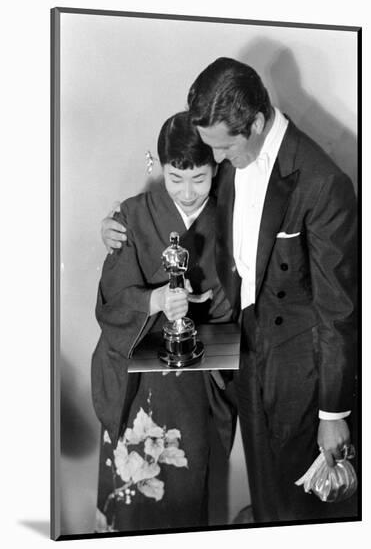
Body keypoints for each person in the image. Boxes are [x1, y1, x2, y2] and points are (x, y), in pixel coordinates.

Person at [101, 57, 357, 524]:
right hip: (244, 362)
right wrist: (117, 226)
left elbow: (338, 311)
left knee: (299, 511)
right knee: (266, 500)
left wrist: (333, 412)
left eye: (221, 151)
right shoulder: (234, 160)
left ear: (256, 123)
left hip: (298, 378)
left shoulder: (323, 184)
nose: (215, 163)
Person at [92, 111, 236, 534]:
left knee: (185, 498)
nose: (188, 192)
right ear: (159, 167)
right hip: (136, 387)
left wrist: (214, 304)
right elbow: (111, 306)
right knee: (129, 503)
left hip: (194, 385)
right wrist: (154, 299)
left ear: (218, 167)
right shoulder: (132, 217)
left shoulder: (231, 215)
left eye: (200, 178)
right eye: (176, 178)